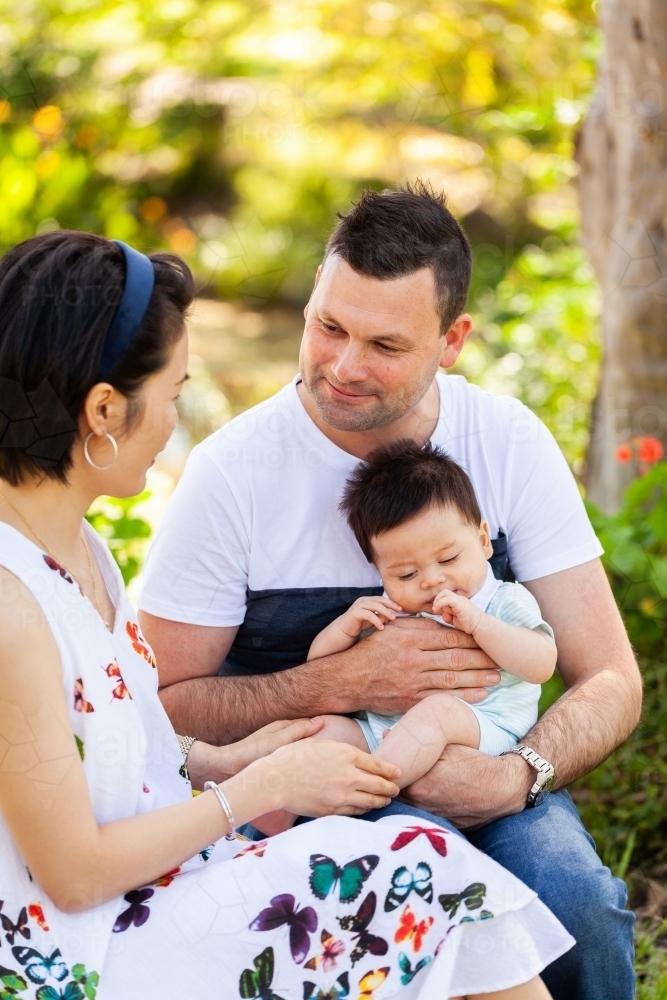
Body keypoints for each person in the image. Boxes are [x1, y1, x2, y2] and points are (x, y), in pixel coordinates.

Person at [0, 230, 576, 1000]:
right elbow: (71, 877)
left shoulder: (79, 546)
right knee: (419, 872)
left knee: (422, 868)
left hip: (150, 887)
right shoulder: (12, 607)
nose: (175, 422)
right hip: (82, 949)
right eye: (173, 394)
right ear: (104, 410)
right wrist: (262, 784)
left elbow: (109, 755)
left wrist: (222, 760)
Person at [139, 182, 641, 1000]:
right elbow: (157, 702)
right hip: (333, 784)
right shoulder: (231, 474)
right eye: (327, 326)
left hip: (493, 772)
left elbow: (611, 679)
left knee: (577, 904)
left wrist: (517, 774)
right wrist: (332, 683)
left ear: (451, 341)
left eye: (384, 345)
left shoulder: (507, 442)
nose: (341, 366)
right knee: (418, 911)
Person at [258, 440, 557, 837]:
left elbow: (542, 663)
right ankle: (265, 824)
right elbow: (321, 670)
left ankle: (366, 791)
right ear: (380, 573)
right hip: (384, 733)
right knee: (319, 728)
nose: (432, 580)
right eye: (405, 575)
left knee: (438, 711)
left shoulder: (501, 600)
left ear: (484, 541)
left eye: (449, 559)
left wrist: (480, 625)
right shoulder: (391, 607)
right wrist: (345, 627)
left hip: (485, 728)